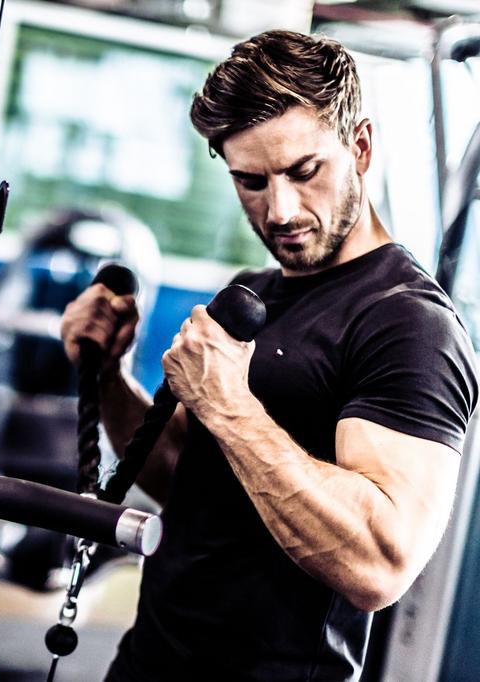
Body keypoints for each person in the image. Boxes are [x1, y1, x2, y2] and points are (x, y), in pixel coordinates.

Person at [60, 30, 478, 681]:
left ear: (360, 147)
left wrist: (228, 404)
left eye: (304, 172)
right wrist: (109, 371)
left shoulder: (408, 324)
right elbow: (187, 475)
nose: (279, 210)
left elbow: (378, 562)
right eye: (250, 181)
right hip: (147, 662)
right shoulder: (252, 294)